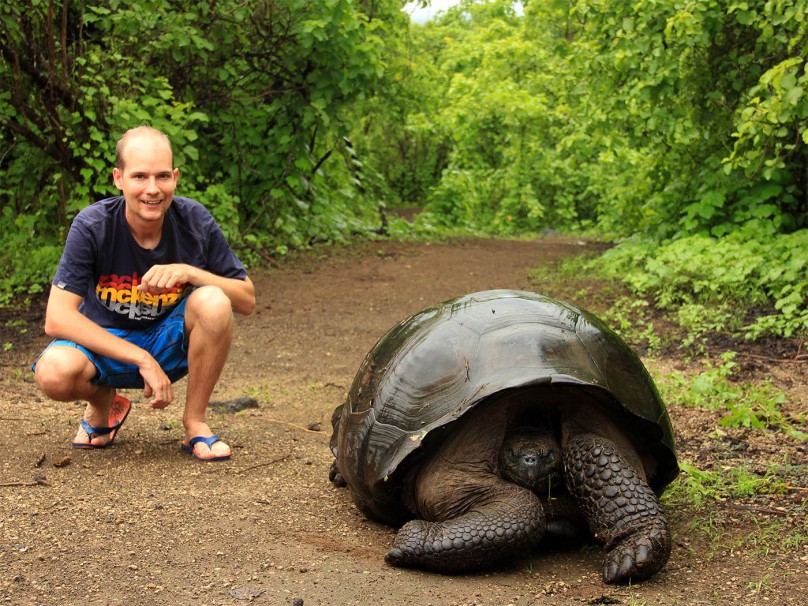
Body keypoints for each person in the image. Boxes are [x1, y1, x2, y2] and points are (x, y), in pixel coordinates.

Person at [32, 125, 256, 461]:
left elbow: (246, 300)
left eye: (163, 176)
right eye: (140, 177)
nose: (153, 189)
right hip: (105, 343)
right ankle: (102, 405)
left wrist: (191, 272)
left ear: (175, 177)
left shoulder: (194, 220)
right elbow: (57, 318)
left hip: (167, 342)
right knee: (53, 373)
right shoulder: (92, 226)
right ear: (118, 178)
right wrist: (141, 358)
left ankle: (195, 421)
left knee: (214, 300)